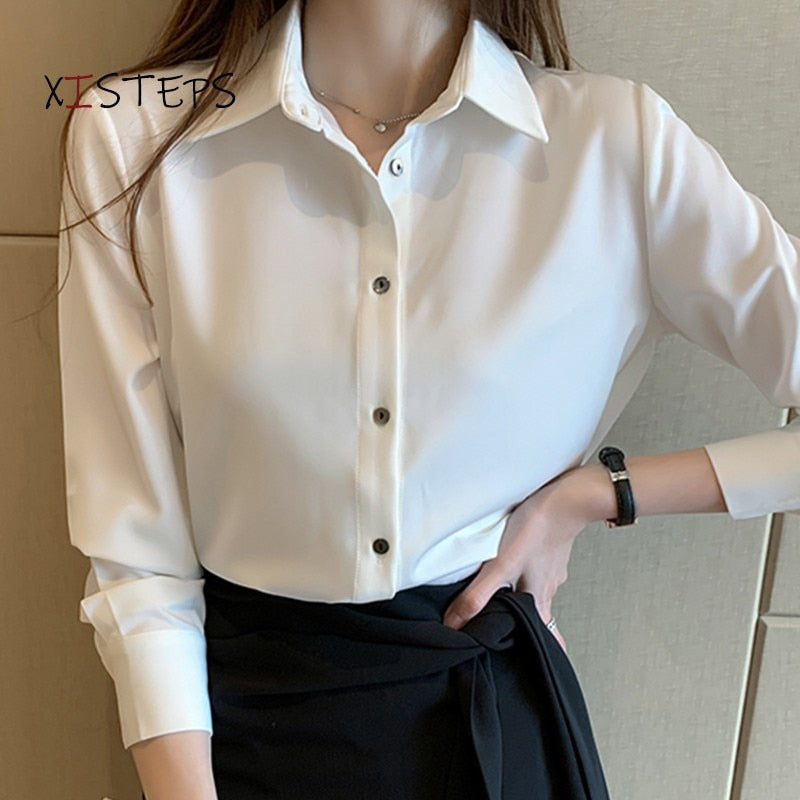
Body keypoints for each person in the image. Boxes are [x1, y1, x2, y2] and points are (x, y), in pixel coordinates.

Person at [56, 0, 800, 798]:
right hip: (230, 736)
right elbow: (137, 556)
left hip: (494, 738)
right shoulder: (132, 136)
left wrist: (602, 492)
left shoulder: (615, 145)